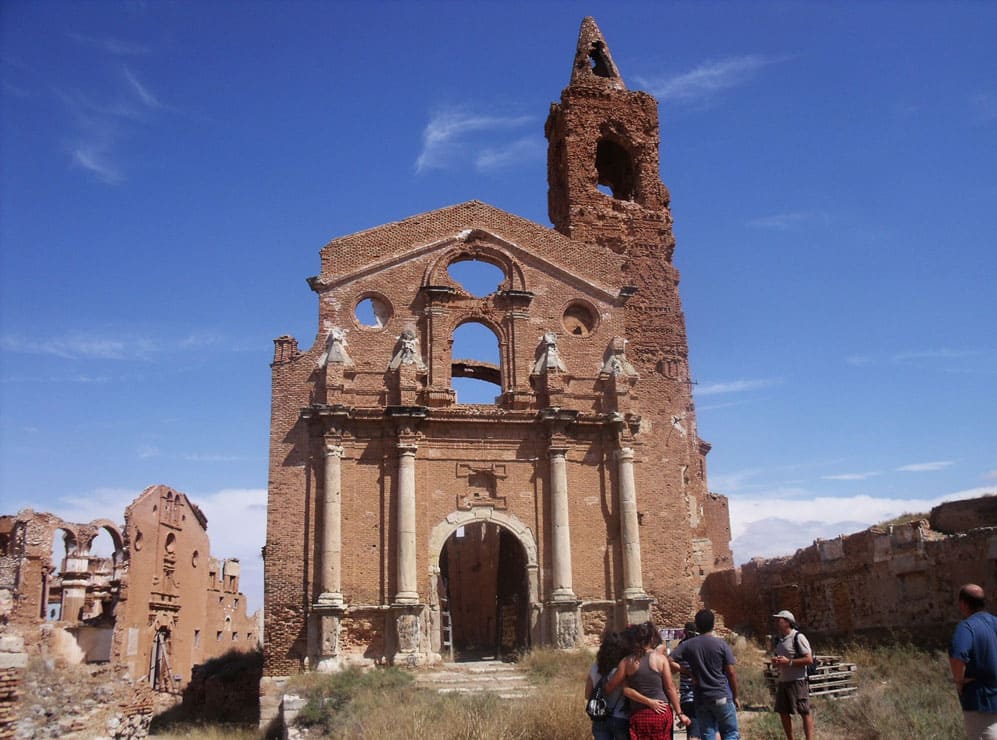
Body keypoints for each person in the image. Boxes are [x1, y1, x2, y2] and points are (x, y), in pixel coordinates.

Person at [669, 609, 740, 740]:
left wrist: (687, 672)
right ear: (713, 624)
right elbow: (731, 673)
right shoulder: (721, 644)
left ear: (697, 625)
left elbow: (669, 660)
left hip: (701, 697)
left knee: (707, 734)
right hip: (721, 695)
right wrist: (735, 696)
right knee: (730, 733)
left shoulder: (688, 645)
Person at [619, 622, 689, 739]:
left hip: (639, 714)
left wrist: (648, 701)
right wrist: (679, 713)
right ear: (651, 638)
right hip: (660, 712)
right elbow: (670, 687)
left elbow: (625, 690)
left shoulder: (627, 662)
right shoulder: (660, 659)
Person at [949, 584, 997, 739]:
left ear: (963, 603)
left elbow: (958, 657)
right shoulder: (995, 622)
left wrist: (959, 682)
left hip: (981, 705)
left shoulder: (967, 627)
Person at [771, 609, 814, 740]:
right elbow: (779, 658)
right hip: (783, 681)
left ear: (788, 622)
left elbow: (809, 659)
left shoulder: (798, 637)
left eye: (780, 620)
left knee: (804, 711)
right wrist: (776, 662)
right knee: (783, 712)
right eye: (777, 620)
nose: (777, 622)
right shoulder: (778, 640)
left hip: (798, 680)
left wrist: (788, 662)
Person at [585, 631, 630, 740]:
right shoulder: (623, 668)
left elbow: (587, 694)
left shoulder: (595, 667)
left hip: (600, 717)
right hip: (621, 717)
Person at [674, 621, 703, 740]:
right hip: (704, 694)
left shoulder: (682, 646)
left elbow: (670, 663)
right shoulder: (701, 645)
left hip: (687, 695)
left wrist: (685, 671)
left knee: (692, 730)